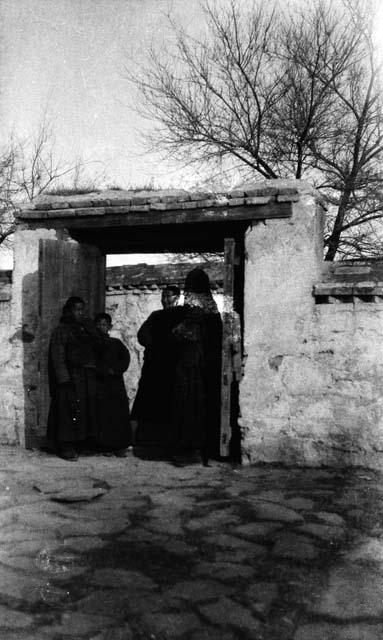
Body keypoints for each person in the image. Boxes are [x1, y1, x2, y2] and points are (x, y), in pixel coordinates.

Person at [171, 268, 222, 465]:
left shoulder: (197, 309)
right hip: (197, 365)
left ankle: (192, 450)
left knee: (191, 407)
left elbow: (183, 332)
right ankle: (197, 449)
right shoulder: (210, 308)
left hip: (194, 366)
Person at [47, 296, 101, 461]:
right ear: (69, 311)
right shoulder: (61, 330)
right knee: (67, 411)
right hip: (70, 378)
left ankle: (81, 443)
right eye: (76, 310)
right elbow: (57, 355)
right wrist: (64, 379)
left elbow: (99, 346)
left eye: (82, 309)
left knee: (83, 410)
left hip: (85, 377)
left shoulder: (86, 329)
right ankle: (66, 446)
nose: (80, 313)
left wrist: (92, 329)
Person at [131, 285, 185, 447]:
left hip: (173, 366)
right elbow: (142, 335)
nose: (165, 299)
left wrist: (170, 347)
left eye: (168, 296)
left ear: (177, 298)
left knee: (172, 402)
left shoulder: (182, 315)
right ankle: (148, 440)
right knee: (150, 401)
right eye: (163, 296)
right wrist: (155, 345)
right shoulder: (155, 316)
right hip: (154, 366)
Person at [94, 313, 132, 456]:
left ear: (110, 327)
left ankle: (119, 446)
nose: (100, 327)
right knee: (103, 415)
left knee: (118, 415)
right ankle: (105, 446)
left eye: (104, 325)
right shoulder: (92, 344)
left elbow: (125, 358)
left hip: (115, 385)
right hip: (100, 384)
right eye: (98, 324)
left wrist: (115, 370)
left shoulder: (116, 343)